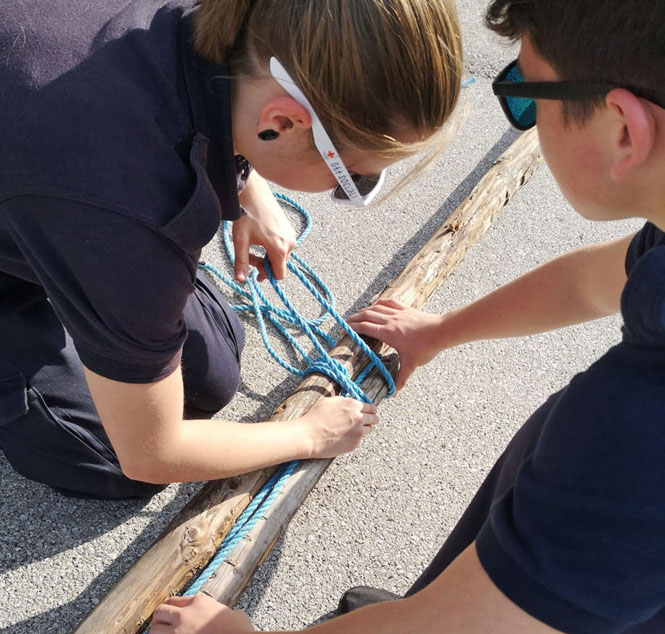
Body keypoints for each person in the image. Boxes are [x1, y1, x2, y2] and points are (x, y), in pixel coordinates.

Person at [150, 0, 665, 634]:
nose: (520, 111)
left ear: (622, 127)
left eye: (523, 93)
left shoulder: (638, 429)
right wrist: (438, 332)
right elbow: (598, 280)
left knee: (580, 439)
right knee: (566, 431)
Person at [0, 0, 462, 499]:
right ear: (284, 121)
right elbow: (151, 454)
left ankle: (92, 294)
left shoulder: (234, 21)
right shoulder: (137, 218)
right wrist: (305, 435)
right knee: (109, 460)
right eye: (354, 176)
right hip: (67, 212)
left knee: (215, 372)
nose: (354, 184)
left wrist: (245, 185)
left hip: (57, 184)